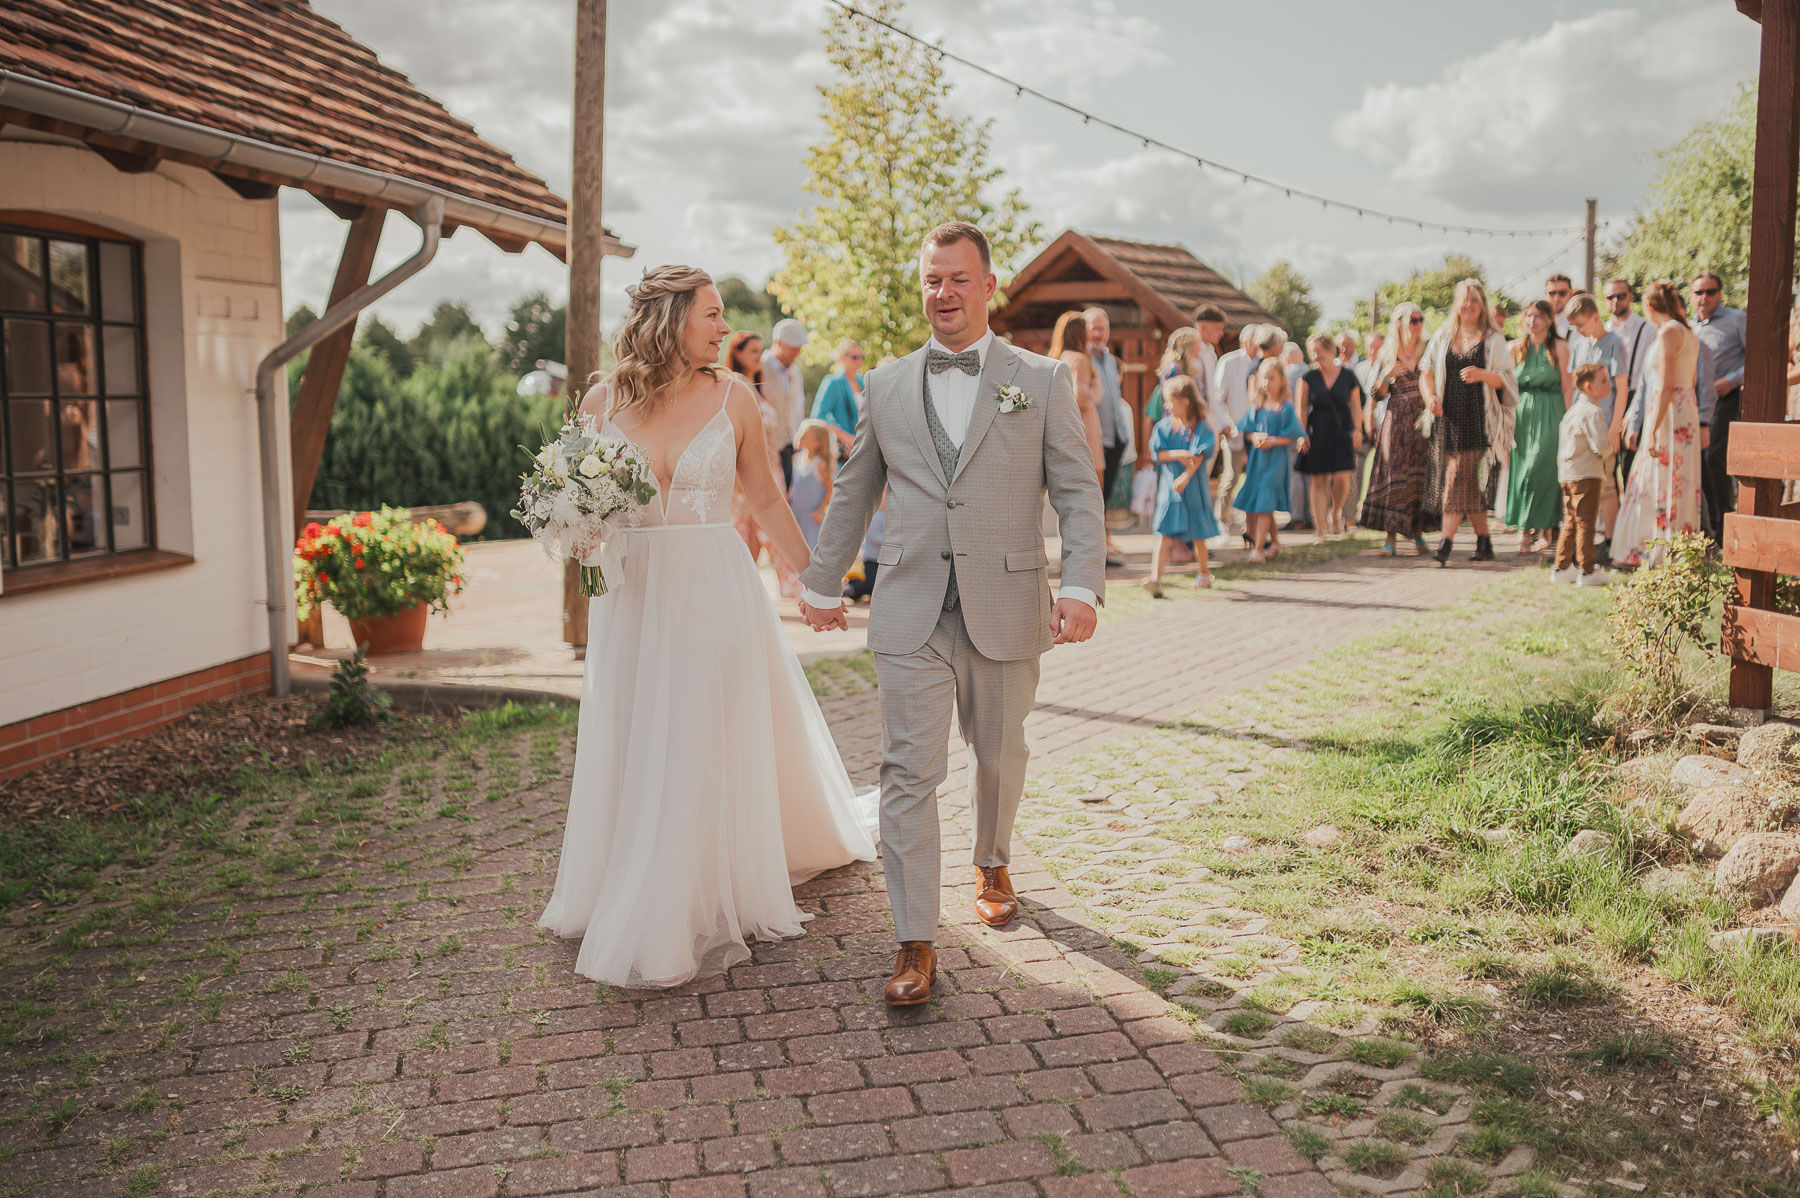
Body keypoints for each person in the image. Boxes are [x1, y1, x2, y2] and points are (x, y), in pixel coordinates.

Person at [539, 266, 878, 987]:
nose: (725, 329)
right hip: (631, 596)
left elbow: (764, 499)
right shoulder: (600, 402)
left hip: (713, 587)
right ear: (669, 319)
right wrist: (573, 531)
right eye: (713, 315)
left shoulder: (736, 399)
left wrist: (817, 581)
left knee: (697, 727)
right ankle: (635, 873)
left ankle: (689, 887)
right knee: (639, 729)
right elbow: (574, 510)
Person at [795, 221, 1105, 1007]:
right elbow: (856, 487)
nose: (944, 294)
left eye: (959, 279)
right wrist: (824, 581)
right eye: (933, 280)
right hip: (909, 609)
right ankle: (914, 941)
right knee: (907, 771)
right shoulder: (886, 384)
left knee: (1000, 754)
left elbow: (1075, 490)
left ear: (989, 286)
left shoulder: (1037, 380)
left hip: (1005, 599)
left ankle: (993, 858)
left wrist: (1082, 585)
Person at [1419, 278, 1518, 565]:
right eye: (1464, 299)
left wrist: (1482, 375)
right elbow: (1425, 369)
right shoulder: (1443, 335)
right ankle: (1484, 542)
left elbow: (1506, 379)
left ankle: (1445, 544)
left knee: (1456, 478)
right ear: (1456, 304)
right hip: (1447, 420)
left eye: (1474, 300)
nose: (1469, 305)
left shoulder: (1493, 339)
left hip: (1479, 420)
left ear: (1482, 305)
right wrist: (1430, 397)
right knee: (1467, 484)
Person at [1613, 281, 1703, 568]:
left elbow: (1666, 385)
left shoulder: (1667, 333)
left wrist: (1652, 429)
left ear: (1650, 308)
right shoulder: (1689, 332)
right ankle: (1678, 549)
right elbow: (1691, 382)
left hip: (1668, 412)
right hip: (1685, 409)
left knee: (1661, 478)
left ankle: (1657, 551)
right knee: (1681, 479)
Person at [1359, 302, 1435, 554]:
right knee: (1394, 479)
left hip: (1423, 423)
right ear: (1400, 323)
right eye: (1413, 320)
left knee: (1419, 478)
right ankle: (1390, 538)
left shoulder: (1428, 350)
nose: (1418, 324)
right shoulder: (1387, 355)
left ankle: (1417, 533)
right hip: (1397, 422)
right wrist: (1387, 376)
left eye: (1420, 319)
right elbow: (1375, 395)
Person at [1503, 299, 1572, 553]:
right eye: (1529, 316)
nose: (1533, 321)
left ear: (1550, 320)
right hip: (1522, 415)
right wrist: (1507, 419)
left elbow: (1567, 386)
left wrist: (1566, 420)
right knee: (1521, 471)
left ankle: (1539, 529)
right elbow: (1509, 387)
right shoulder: (1515, 348)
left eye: (1539, 316)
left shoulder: (1560, 347)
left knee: (1541, 470)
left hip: (1552, 412)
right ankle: (1529, 530)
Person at [1564, 293, 1629, 560]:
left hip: (1603, 425)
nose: (1578, 330)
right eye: (1574, 327)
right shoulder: (1579, 345)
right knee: (1582, 483)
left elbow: (1621, 388)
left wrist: (1615, 428)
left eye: (1581, 324)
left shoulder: (1614, 343)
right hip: (1580, 426)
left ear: (1594, 316)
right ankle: (1583, 541)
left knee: (1608, 484)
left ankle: (1611, 539)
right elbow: (1573, 387)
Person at [1144, 375, 1218, 597]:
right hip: (1169, 490)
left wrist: (1186, 476)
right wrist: (1177, 454)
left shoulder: (1201, 427)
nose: (1166, 406)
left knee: (1198, 534)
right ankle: (1155, 579)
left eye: (1170, 401)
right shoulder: (1164, 428)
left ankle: (1204, 573)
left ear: (1185, 401)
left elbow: (1200, 455)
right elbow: (1158, 453)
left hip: (1193, 489)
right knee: (1163, 532)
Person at [1692, 270, 1747, 543]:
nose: (1704, 297)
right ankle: (1709, 529)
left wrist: (1732, 379)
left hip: (1725, 399)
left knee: (1714, 458)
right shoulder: (1688, 327)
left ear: (1720, 294)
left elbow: (1755, 358)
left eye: (1710, 291)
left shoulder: (1737, 319)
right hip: (1693, 403)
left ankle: (1726, 525)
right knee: (1697, 463)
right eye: (1699, 292)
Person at [1235, 359, 1308, 562]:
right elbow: (1247, 431)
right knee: (1261, 501)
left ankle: (1258, 549)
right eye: (1264, 379)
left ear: (1282, 380)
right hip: (1257, 461)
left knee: (1265, 500)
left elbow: (1293, 435)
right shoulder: (1257, 407)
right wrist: (1255, 437)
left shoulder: (1285, 408)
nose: (1267, 383)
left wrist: (1273, 441)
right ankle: (1274, 542)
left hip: (1276, 461)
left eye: (1272, 378)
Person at [1295, 333, 1366, 541]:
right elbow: (1301, 408)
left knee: (1342, 477)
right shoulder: (1308, 377)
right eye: (1313, 352)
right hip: (1317, 430)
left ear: (1331, 351)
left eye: (1319, 352)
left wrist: (1358, 429)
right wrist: (1301, 435)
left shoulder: (1348, 376)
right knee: (1318, 479)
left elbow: (1355, 405)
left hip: (1342, 429)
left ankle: (1336, 513)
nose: (1316, 356)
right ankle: (1320, 526)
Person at [1551, 363, 1613, 588]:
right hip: (1586, 473)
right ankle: (1587, 570)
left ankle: (1562, 566)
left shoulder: (1572, 411)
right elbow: (1600, 446)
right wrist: (1611, 448)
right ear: (1589, 386)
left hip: (1567, 473)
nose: (1609, 384)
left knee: (1570, 520)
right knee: (1586, 522)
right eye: (1604, 381)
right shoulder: (1593, 412)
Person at [725, 331, 782, 562]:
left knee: (765, 530)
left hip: (770, 465)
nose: (759, 356)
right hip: (746, 468)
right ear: (737, 353)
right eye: (753, 351)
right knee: (744, 529)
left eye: (760, 350)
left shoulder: (758, 386)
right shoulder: (734, 385)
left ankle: (754, 582)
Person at [1086, 307, 1133, 567]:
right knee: (1092, 500)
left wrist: (1122, 436)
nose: (1097, 333)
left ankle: (1101, 552)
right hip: (1095, 440)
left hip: (1115, 438)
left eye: (1101, 328)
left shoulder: (1110, 359)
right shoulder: (1083, 358)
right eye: (1092, 328)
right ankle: (1092, 556)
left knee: (1103, 501)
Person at [1605, 279, 1653, 489]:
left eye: (1621, 296)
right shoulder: (1604, 330)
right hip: (1608, 397)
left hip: (1636, 396)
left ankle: (1631, 515)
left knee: (1629, 462)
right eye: (1610, 297)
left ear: (1630, 298)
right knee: (1607, 461)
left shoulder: (1647, 329)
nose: (1616, 301)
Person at [1049, 310, 1105, 481]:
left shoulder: (1058, 357)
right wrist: (1097, 390)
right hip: (1085, 426)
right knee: (1093, 484)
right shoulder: (1081, 360)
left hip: (1066, 428)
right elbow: (1080, 397)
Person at [762, 318, 809, 486]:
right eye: (792, 348)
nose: (796, 353)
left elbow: (797, 410)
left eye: (799, 349)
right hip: (766, 453)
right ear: (778, 343)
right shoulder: (759, 368)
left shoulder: (796, 374)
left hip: (790, 452)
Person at [788, 418, 835, 550]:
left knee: (811, 550)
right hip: (796, 514)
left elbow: (830, 490)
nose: (801, 437)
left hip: (812, 518)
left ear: (816, 444)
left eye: (805, 436)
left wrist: (820, 511)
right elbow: (795, 483)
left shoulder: (820, 464)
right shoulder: (797, 459)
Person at [810, 339, 864, 453]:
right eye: (854, 357)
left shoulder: (862, 381)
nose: (859, 361)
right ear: (842, 357)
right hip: (845, 451)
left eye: (861, 357)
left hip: (863, 446)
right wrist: (845, 437)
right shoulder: (833, 382)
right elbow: (819, 415)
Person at [1281, 343, 1313, 532]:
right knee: (1309, 473)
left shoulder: (1286, 374)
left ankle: (1297, 516)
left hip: (1292, 428)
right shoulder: (1311, 372)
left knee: (1294, 473)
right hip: (1310, 428)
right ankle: (1310, 515)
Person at [843, 501, 885, 604]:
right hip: (871, 559)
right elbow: (873, 537)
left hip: (882, 560)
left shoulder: (888, 515)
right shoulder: (876, 516)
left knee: (877, 588)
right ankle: (850, 587)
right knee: (870, 586)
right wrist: (893, 540)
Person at [1545, 272, 1574, 339]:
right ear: (1545, 294)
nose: (1556, 298)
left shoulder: (1578, 325)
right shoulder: (1536, 323)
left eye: (1562, 293)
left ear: (1570, 294)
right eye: (1552, 293)